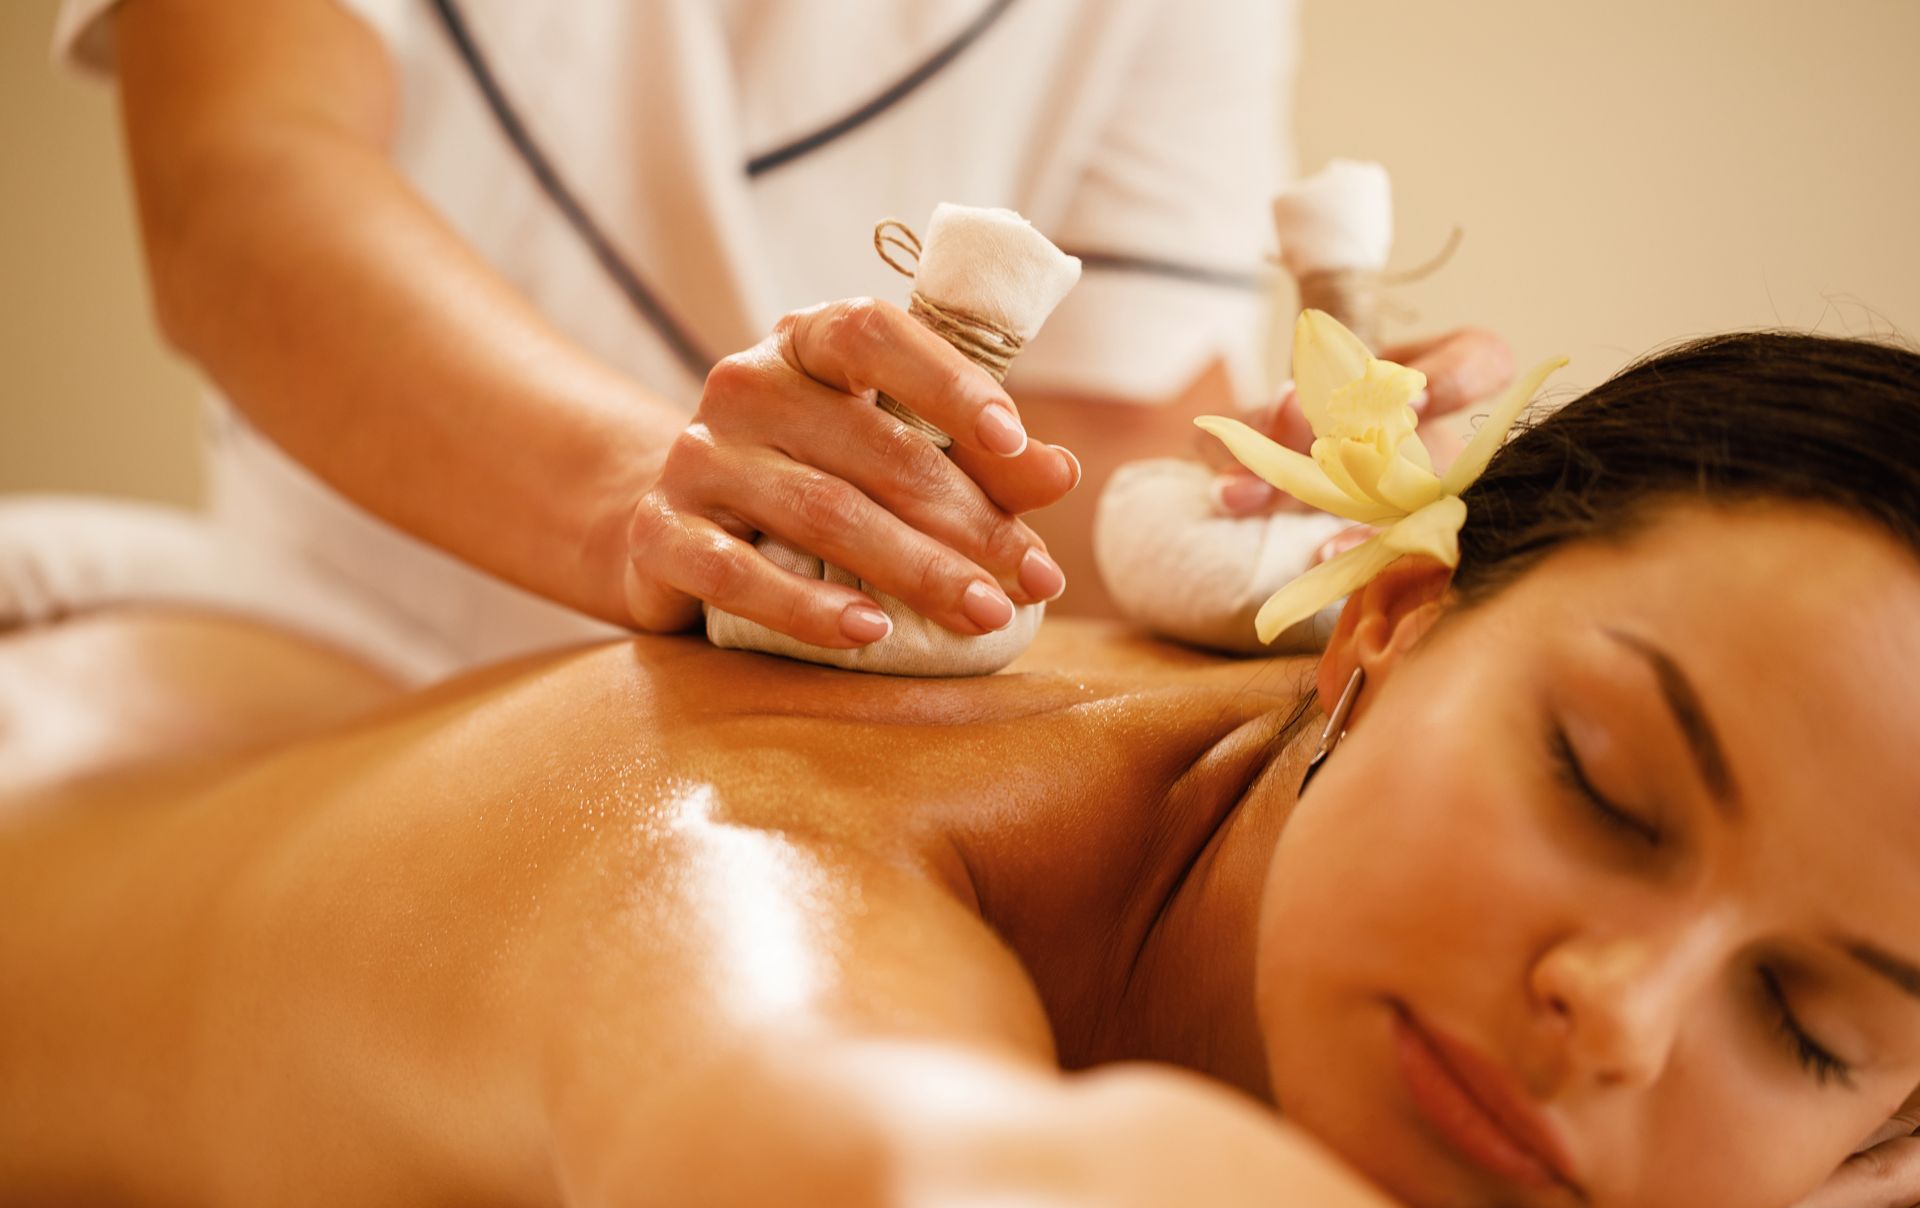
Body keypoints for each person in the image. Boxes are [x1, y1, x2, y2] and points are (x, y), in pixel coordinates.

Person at [5, 329, 1920, 1208]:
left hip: (285, 731)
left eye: (1808, 1021)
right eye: (1606, 790)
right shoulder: (749, 854)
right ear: (1391, 626)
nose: (1621, 1012)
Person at [52, 0, 1512, 674]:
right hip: (332, 656)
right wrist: (653, 504)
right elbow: (244, 190)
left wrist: (1283, 508)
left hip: (801, 738)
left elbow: (1078, 464)